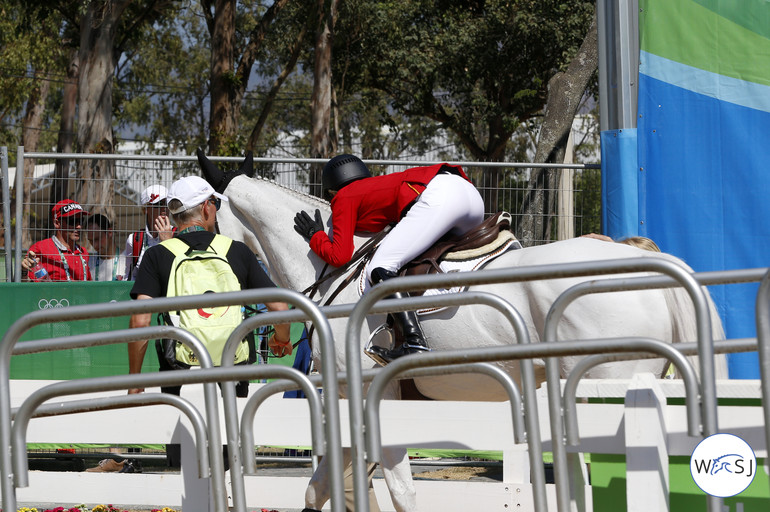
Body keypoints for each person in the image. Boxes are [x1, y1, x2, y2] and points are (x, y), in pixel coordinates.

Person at [293, 154, 484, 363]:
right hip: (470, 195)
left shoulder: (344, 195)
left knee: (380, 267)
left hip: (441, 196)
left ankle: (414, 342)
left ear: (332, 191)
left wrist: (316, 235)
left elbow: (340, 256)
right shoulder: (372, 186)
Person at [127, 175, 292, 395]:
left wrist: (135, 381)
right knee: (233, 424)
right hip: (231, 363)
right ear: (206, 208)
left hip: (179, 368)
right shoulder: (237, 250)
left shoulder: (157, 255)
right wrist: (281, 339)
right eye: (216, 203)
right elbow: (280, 307)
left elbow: (140, 321)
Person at [21, 199, 92, 282]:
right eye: (72, 221)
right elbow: (26, 284)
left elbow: (89, 283)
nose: (79, 226)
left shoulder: (83, 252)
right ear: (57, 223)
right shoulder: (40, 248)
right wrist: (23, 271)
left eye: (80, 221)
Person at [123, 184, 175, 280]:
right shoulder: (134, 240)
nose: (164, 208)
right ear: (145, 209)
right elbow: (130, 276)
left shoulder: (178, 235)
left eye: (167, 204)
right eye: (158, 204)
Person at [86, 213, 126, 281]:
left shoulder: (128, 259)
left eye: (97, 239)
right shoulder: (88, 262)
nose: (94, 245)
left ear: (109, 232)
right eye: (91, 241)